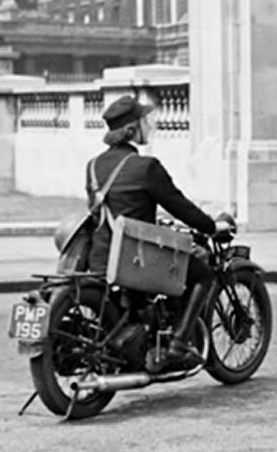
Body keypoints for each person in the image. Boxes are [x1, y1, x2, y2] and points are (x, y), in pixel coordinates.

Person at [86, 95, 232, 365]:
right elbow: (180, 206)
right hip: (135, 257)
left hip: (101, 255)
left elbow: (112, 207)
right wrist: (212, 226)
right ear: (132, 129)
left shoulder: (94, 166)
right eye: (145, 122)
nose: (149, 127)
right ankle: (178, 345)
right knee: (203, 275)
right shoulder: (145, 167)